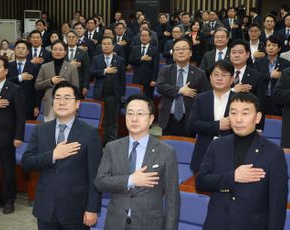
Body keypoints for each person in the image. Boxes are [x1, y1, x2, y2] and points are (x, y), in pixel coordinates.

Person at [196, 92, 288, 230]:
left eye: (245, 113)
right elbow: (201, 182)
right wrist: (233, 177)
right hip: (217, 223)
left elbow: (277, 205)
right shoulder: (217, 145)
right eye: (233, 113)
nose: (238, 119)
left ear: (257, 117)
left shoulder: (273, 152)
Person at [22, 81, 102, 229]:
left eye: (67, 98)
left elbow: (95, 175)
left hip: (76, 209)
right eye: (57, 98)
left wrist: (92, 208)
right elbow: (26, 162)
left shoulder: (90, 134)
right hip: (46, 208)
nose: (61, 102)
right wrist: (53, 155)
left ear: (77, 104)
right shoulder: (41, 130)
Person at [94, 94, 180, 230]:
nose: (134, 118)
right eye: (130, 113)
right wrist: (130, 180)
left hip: (150, 224)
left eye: (140, 114)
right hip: (116, 222)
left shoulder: (166, 152)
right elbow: (100, 183)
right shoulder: (112, 147)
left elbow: (172, 200)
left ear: (151, 119)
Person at [187, 60, 234, 172]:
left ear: (232, 79)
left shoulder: (240, 100)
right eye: (216, 74)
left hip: (230, 154)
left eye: (224, 75)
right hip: (203, 154)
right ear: (210, 78)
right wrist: (218, 125)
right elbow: (192, 125)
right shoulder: (201, 98)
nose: (219, 78)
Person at [157, 38, 209, 137]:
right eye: (177, 49)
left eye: (184, 48)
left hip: (189, 119)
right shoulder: (166, 70)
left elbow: (205, 96)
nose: (180, 51)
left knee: (187, 149)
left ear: (190, 53)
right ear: (173, 54)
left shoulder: (199, 73)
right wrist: (180, 90)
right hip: (168, 118)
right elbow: (160, 87)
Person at [0, 55, 25, 214]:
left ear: (6, 70)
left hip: (6, 138)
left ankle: (8, 200)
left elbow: (20, 116)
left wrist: (19, 136)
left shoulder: (14, 89)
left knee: (8, 171)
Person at [90, 36, 126, 146]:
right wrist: (105, 71)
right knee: (103, 119)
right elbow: (92, 72)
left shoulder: (119, 60)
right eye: (104, 44)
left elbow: (122, 79)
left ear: (113, 46)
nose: (106, 46)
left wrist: (122, 95)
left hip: (114, 95)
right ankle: (102, 140)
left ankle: (112, 141)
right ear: (101, 46)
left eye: (108, 44)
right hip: (100, 93)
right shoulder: (97, 58)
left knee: (113, 119)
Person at [35, 40, 79, 121]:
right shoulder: (44, 67)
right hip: (49, 104)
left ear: (65, 52)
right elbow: (37, 85)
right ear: (51, 51)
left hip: (67, 104)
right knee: (49, 132)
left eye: (60, 49)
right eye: (55, 49)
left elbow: (76, 88)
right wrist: (51, 81)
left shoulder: (72, 67)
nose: (57, 52)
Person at [254, 35, 290, 115]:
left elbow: (288, 82)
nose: (271, 48)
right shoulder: (258, 63)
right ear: (265, 48)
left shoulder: (286, 64)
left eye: (274, 45)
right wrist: (270, 75)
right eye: (268, 45)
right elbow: (256, 78)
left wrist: (282, 76)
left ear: (279, 48)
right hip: (262, 100)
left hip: (278, 102)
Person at [7, 40, 41, 120]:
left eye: (23, 48)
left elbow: (37, 87)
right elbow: (4, 82)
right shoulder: (8, 66)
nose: (20, 50)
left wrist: (37, 106)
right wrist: (20, 78)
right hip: (10, 104)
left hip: (28, 105)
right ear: (14, 50)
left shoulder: (34, 67)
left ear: (28, 52)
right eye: (18, 48)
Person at [129, 28, 159, 98]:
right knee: (136, 98)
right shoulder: (135, 48)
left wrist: (154, 80)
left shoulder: (154, 49)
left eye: (146, 36)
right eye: (142, 36)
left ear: (150, 37)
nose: (144, 37)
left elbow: (155, 66)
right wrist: (141, 59)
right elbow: (130, 60)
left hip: (149, 79)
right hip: (137, 78)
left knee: (148, 99)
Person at [65, 30, 90, 98]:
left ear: (77, 39)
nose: (71, 39)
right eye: (69, 37)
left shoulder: (83, 53)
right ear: (66, 39)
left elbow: (86, 71)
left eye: (73, 37)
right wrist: (70, 64)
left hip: (79, 85)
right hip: (64, 84)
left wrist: (85, 86)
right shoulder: (62, 51)